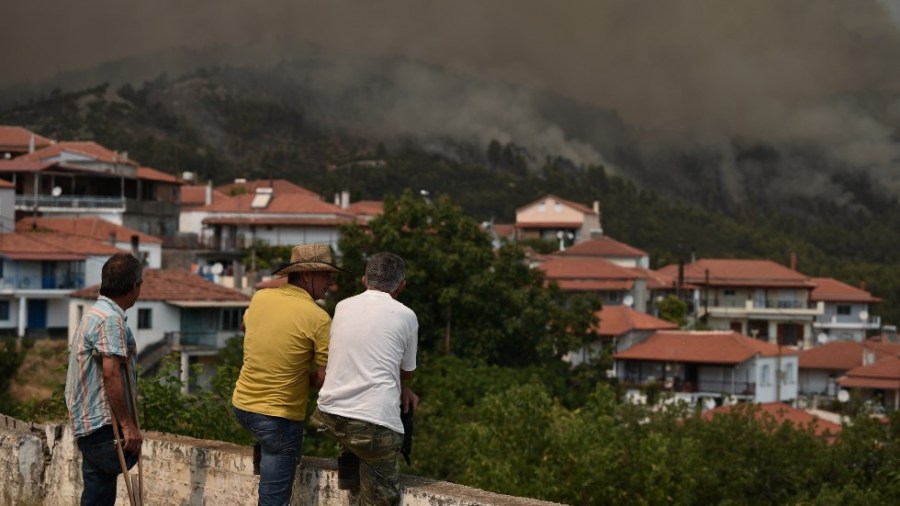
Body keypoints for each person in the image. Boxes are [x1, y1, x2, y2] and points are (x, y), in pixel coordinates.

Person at [231, 243, 345, 506]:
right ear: (307, 275)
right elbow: (326, 379)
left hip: (243, 405)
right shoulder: (318, 318)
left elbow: (244, 326)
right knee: (274, 501)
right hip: (277, 417)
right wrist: (301, 376)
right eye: (326, 275)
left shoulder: (261, 297)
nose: (330, 282)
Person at [311, 252, 419, 506]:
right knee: (380, 499)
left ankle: (350, 459)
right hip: (372, 426)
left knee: (358, 432)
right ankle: (358, 456)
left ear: (364, 280)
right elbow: (407, 371)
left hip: (330, 414)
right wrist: (402, 385)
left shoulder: (342, 306)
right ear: (401, 285)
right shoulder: (406, 315)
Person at [65, 252, 144, 506]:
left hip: (87, 420)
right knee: (99, 493)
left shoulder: (93, 314)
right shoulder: (110, 321)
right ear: (134, 287)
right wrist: (128, 425)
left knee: (97, 489)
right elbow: (110, 372)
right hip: (102, 423)